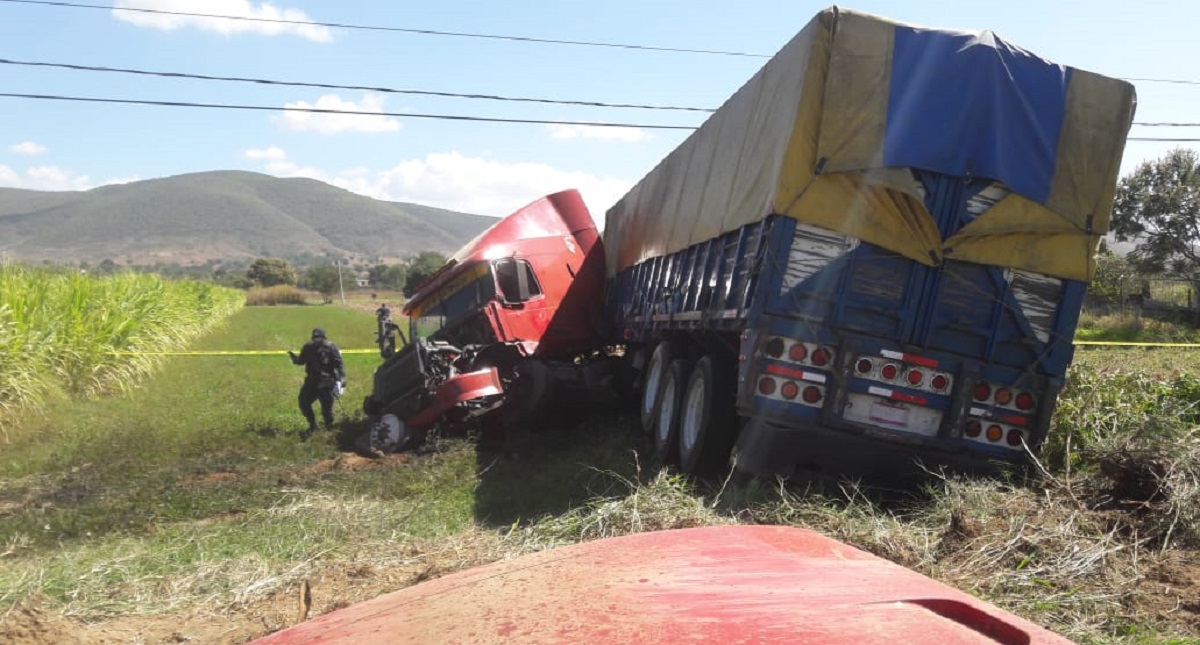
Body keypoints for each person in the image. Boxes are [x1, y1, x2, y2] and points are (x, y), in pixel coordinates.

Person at [289, 327, 345, 440]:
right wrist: (295, 359)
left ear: (324, 337)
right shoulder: (308, 347)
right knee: (303, 402)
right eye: (314, 338)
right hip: (311, 381)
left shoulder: (331, 347)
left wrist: (341, 380)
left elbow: (339, 365)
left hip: (326, 382)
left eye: (318, 338)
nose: (316, 340)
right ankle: (313, 425)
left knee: (327, 409)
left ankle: (329, 429)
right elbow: (301, 361)